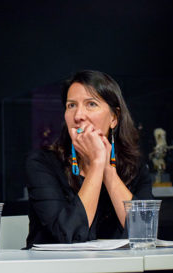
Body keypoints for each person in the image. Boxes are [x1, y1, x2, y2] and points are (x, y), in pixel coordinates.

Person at [25, 70, 153, 248]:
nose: (78, 116)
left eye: (91, 104)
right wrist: (96, 165)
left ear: (114, 118)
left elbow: (145, 234)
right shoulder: (42, 163)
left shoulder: (135, 166)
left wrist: (108, 169)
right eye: (71, 106)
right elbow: (69, 235)